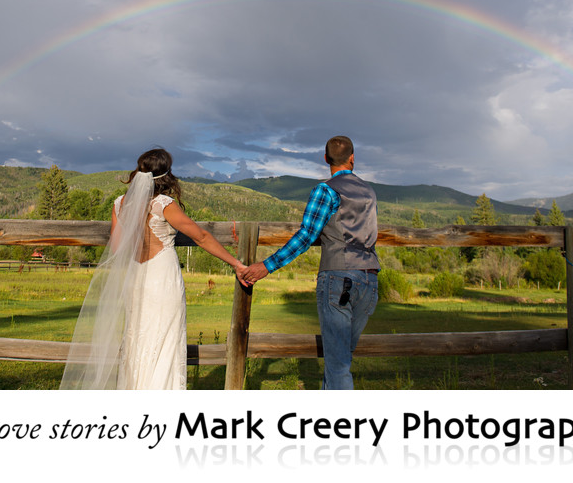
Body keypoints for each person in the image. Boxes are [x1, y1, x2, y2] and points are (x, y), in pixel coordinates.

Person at [61, 148, 246, 390]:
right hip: (161, 279)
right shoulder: (163, 204)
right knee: (165, 340)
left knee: (137, 339)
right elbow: (200, 236)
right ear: (167, 175)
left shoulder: (120, 204)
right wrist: (236, 263)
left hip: (135, 279)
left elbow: (117, 248)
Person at [239, 136, 379, 389]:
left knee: (338, 366)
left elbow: (306, 235)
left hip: (339, 278)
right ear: (353, 157)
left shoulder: (325, 190)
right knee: (341, 358)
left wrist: (266, 266)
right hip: (370, 279)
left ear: (325, 159)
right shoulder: (369, 191)